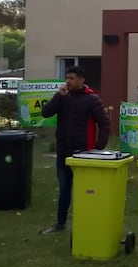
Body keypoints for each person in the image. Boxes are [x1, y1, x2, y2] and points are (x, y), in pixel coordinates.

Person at [40, 65, 111, 234]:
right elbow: (45, 113)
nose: (68, 81)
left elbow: (104, 123)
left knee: (86, 190)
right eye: (67, 78)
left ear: (81, 80)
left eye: (72, 78)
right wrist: (58, 96)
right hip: (64, 151)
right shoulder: (63, 97)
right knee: (64, 189)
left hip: (84, 153)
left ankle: (87, 221)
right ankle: (60, 223)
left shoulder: (92, 99)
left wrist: (98, 147)